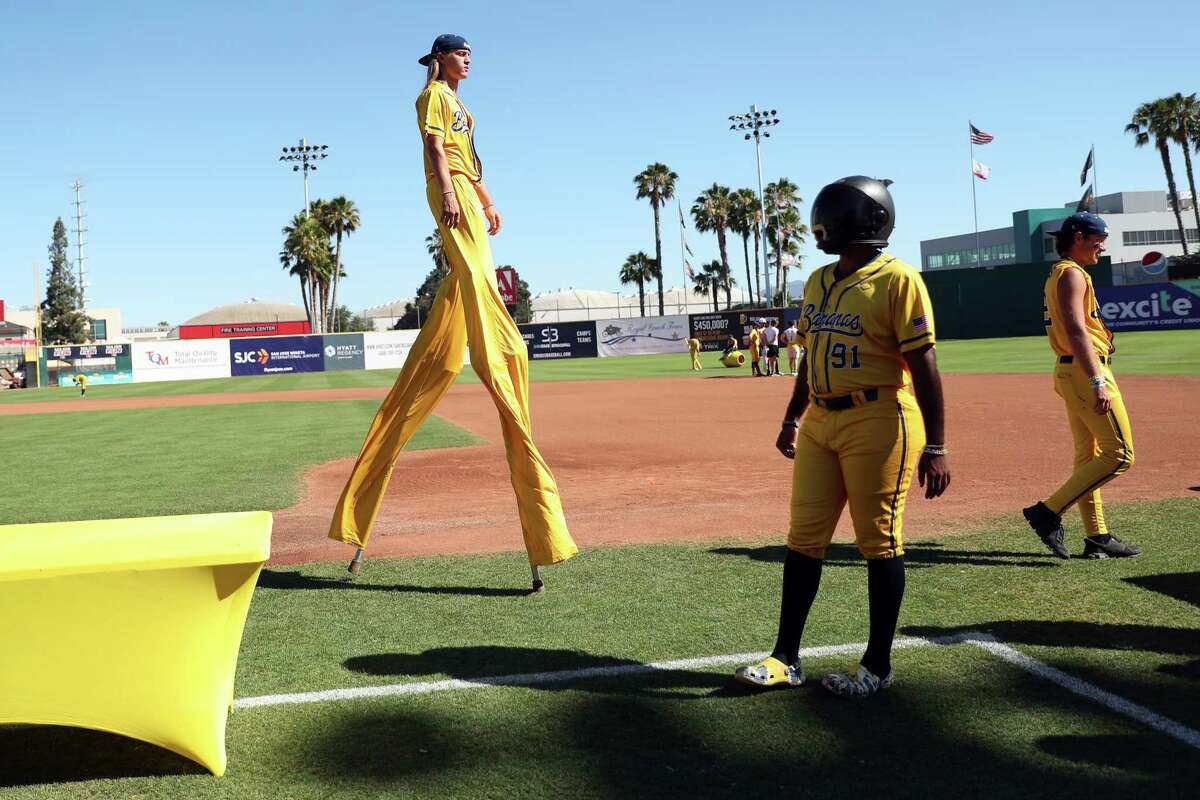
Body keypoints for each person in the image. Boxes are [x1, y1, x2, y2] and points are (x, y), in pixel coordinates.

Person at [328, 34, 578, 589]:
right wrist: (449, 196)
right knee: (486, 305)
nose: (468, 59)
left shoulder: (463, 103)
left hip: (467, 188)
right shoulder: (433, 96)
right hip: (449, 189)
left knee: (460, 310)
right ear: (440, 58)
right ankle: (500, 344)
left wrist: (488, 201)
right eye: (460, 53)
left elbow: (469, 159)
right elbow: (440, 153)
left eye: (470, 54)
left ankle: (485, 341)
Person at [733, 176, 950, 698]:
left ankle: (877, 666)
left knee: (878, 541)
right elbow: (811, 356)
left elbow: (924, 365)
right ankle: (786, 658)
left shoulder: (899, 279)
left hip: (880, 418)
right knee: (803, 539)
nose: (818, 227)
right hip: (821, 423)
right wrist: (791, 418)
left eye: (828, 217)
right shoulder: (818, 279)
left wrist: (938, 445)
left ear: (861, 221)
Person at [1022, 212, 1140, 560]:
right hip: (1084, 373)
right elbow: (1076, 331)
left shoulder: (1064, 272)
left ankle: (1097, 535)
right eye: (1097, 238)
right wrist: (1097, 380)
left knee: (1088, 456)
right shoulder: (1072, 274)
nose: (1102, 245)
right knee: (1120, 455)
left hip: (1071, 372)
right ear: (1077, 237)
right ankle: (1047, 512)